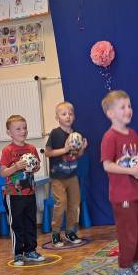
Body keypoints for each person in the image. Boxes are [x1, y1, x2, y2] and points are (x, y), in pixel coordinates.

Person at [100, 90, 138, 275]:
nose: (128, 110)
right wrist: (131, 172)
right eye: (122, 107)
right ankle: (123, 268)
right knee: (129, 233)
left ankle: (133, 263)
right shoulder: (109, 137)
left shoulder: (133, 134)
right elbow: (107, 165)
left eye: (129, 106)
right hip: (123, 195)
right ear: (110, 113)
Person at [0, 114, 45, 266]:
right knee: (17, 224)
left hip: (30, 192)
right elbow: (2, 172)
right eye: (18, 129)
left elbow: (37, 166)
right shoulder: (7, 150)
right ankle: (18, 253)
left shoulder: (31, 148)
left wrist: (35, 166)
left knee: (30, 222)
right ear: (9, 133)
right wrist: (15, 167)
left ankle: (30, 250)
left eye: (24, 128)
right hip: (13, 195)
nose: (23, 131)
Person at [43, 101, 87, 246]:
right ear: (57, 118)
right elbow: (48, 153)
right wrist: (65, 149)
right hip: (58, 177)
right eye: (64, 114)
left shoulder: (75, 134)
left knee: (74, 204)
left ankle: (70, 231)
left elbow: (76, 155)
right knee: (61, 203)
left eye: (70, 114)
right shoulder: (55, 133)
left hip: (72, 176)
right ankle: (55, 233)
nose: (68, 116)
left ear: (74, 117)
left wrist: (82, 148)